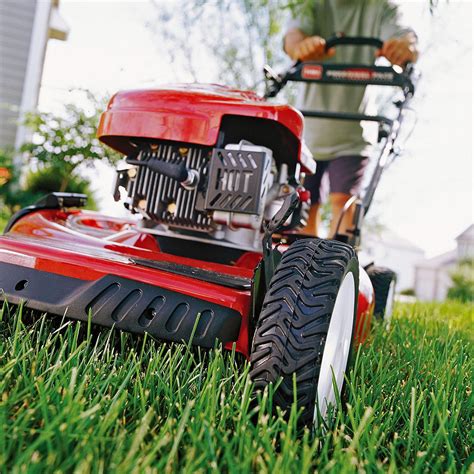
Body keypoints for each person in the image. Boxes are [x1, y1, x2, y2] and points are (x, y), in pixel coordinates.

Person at [284, 0, 418, 237]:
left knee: (344, 212)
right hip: (309, 131)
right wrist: (300, 46)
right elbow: (292, 37)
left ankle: (338, 266)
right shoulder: (312, 4)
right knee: (302, 216)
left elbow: (405, 39)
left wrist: (405, 47)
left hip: (355, 130)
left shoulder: (381, 7)